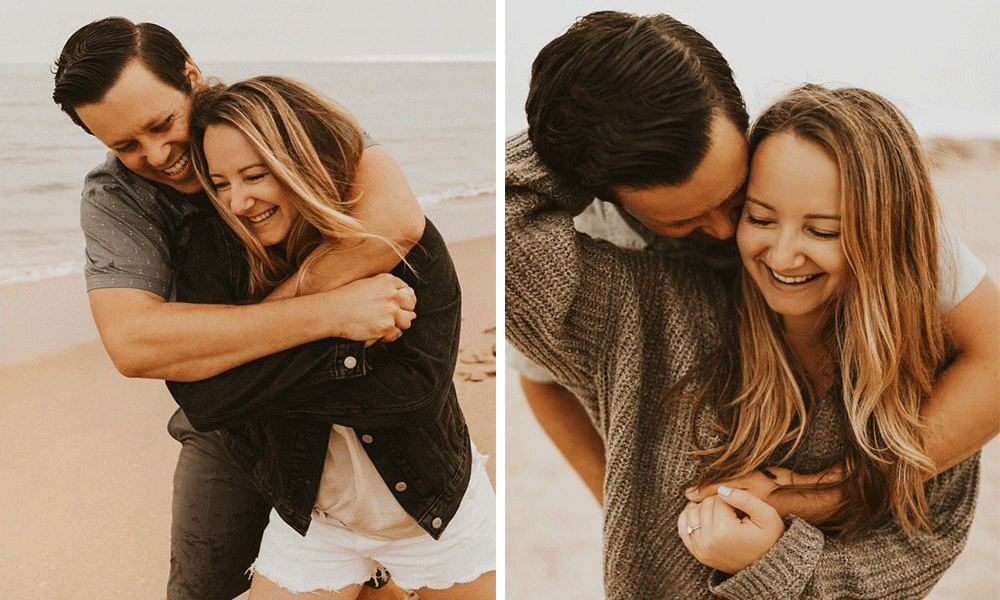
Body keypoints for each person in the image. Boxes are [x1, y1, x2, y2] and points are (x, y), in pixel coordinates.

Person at [507, 82, 993, 599]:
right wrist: (597, 110)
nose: (783, 257)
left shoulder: (925, 377)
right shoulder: (651, 311)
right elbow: (512, 239)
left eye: (824, 232)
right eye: (758, 217)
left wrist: (771, 562)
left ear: (884, 234)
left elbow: (915, 557)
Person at [52, 17, 422, 600]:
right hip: (230, 416)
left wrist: (267, 315)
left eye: (161, 123)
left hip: (354, 393)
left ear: (191, 76)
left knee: (388, 580)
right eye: (125, 145)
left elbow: (392, 221)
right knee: (200, 590)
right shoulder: (115, 195)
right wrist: (326, 308)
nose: (157, 154)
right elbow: (134, 343)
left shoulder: (273, 118)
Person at [166, 76, 496, 599]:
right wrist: (337, 328)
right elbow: (205, 400)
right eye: (221, 182)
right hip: (316, 519)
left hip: (435, 511)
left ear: (300, 162)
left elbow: (414, 394)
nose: (238, 201)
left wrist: (254, 360)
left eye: (254, 175)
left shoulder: (405, 242)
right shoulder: (217, 256)